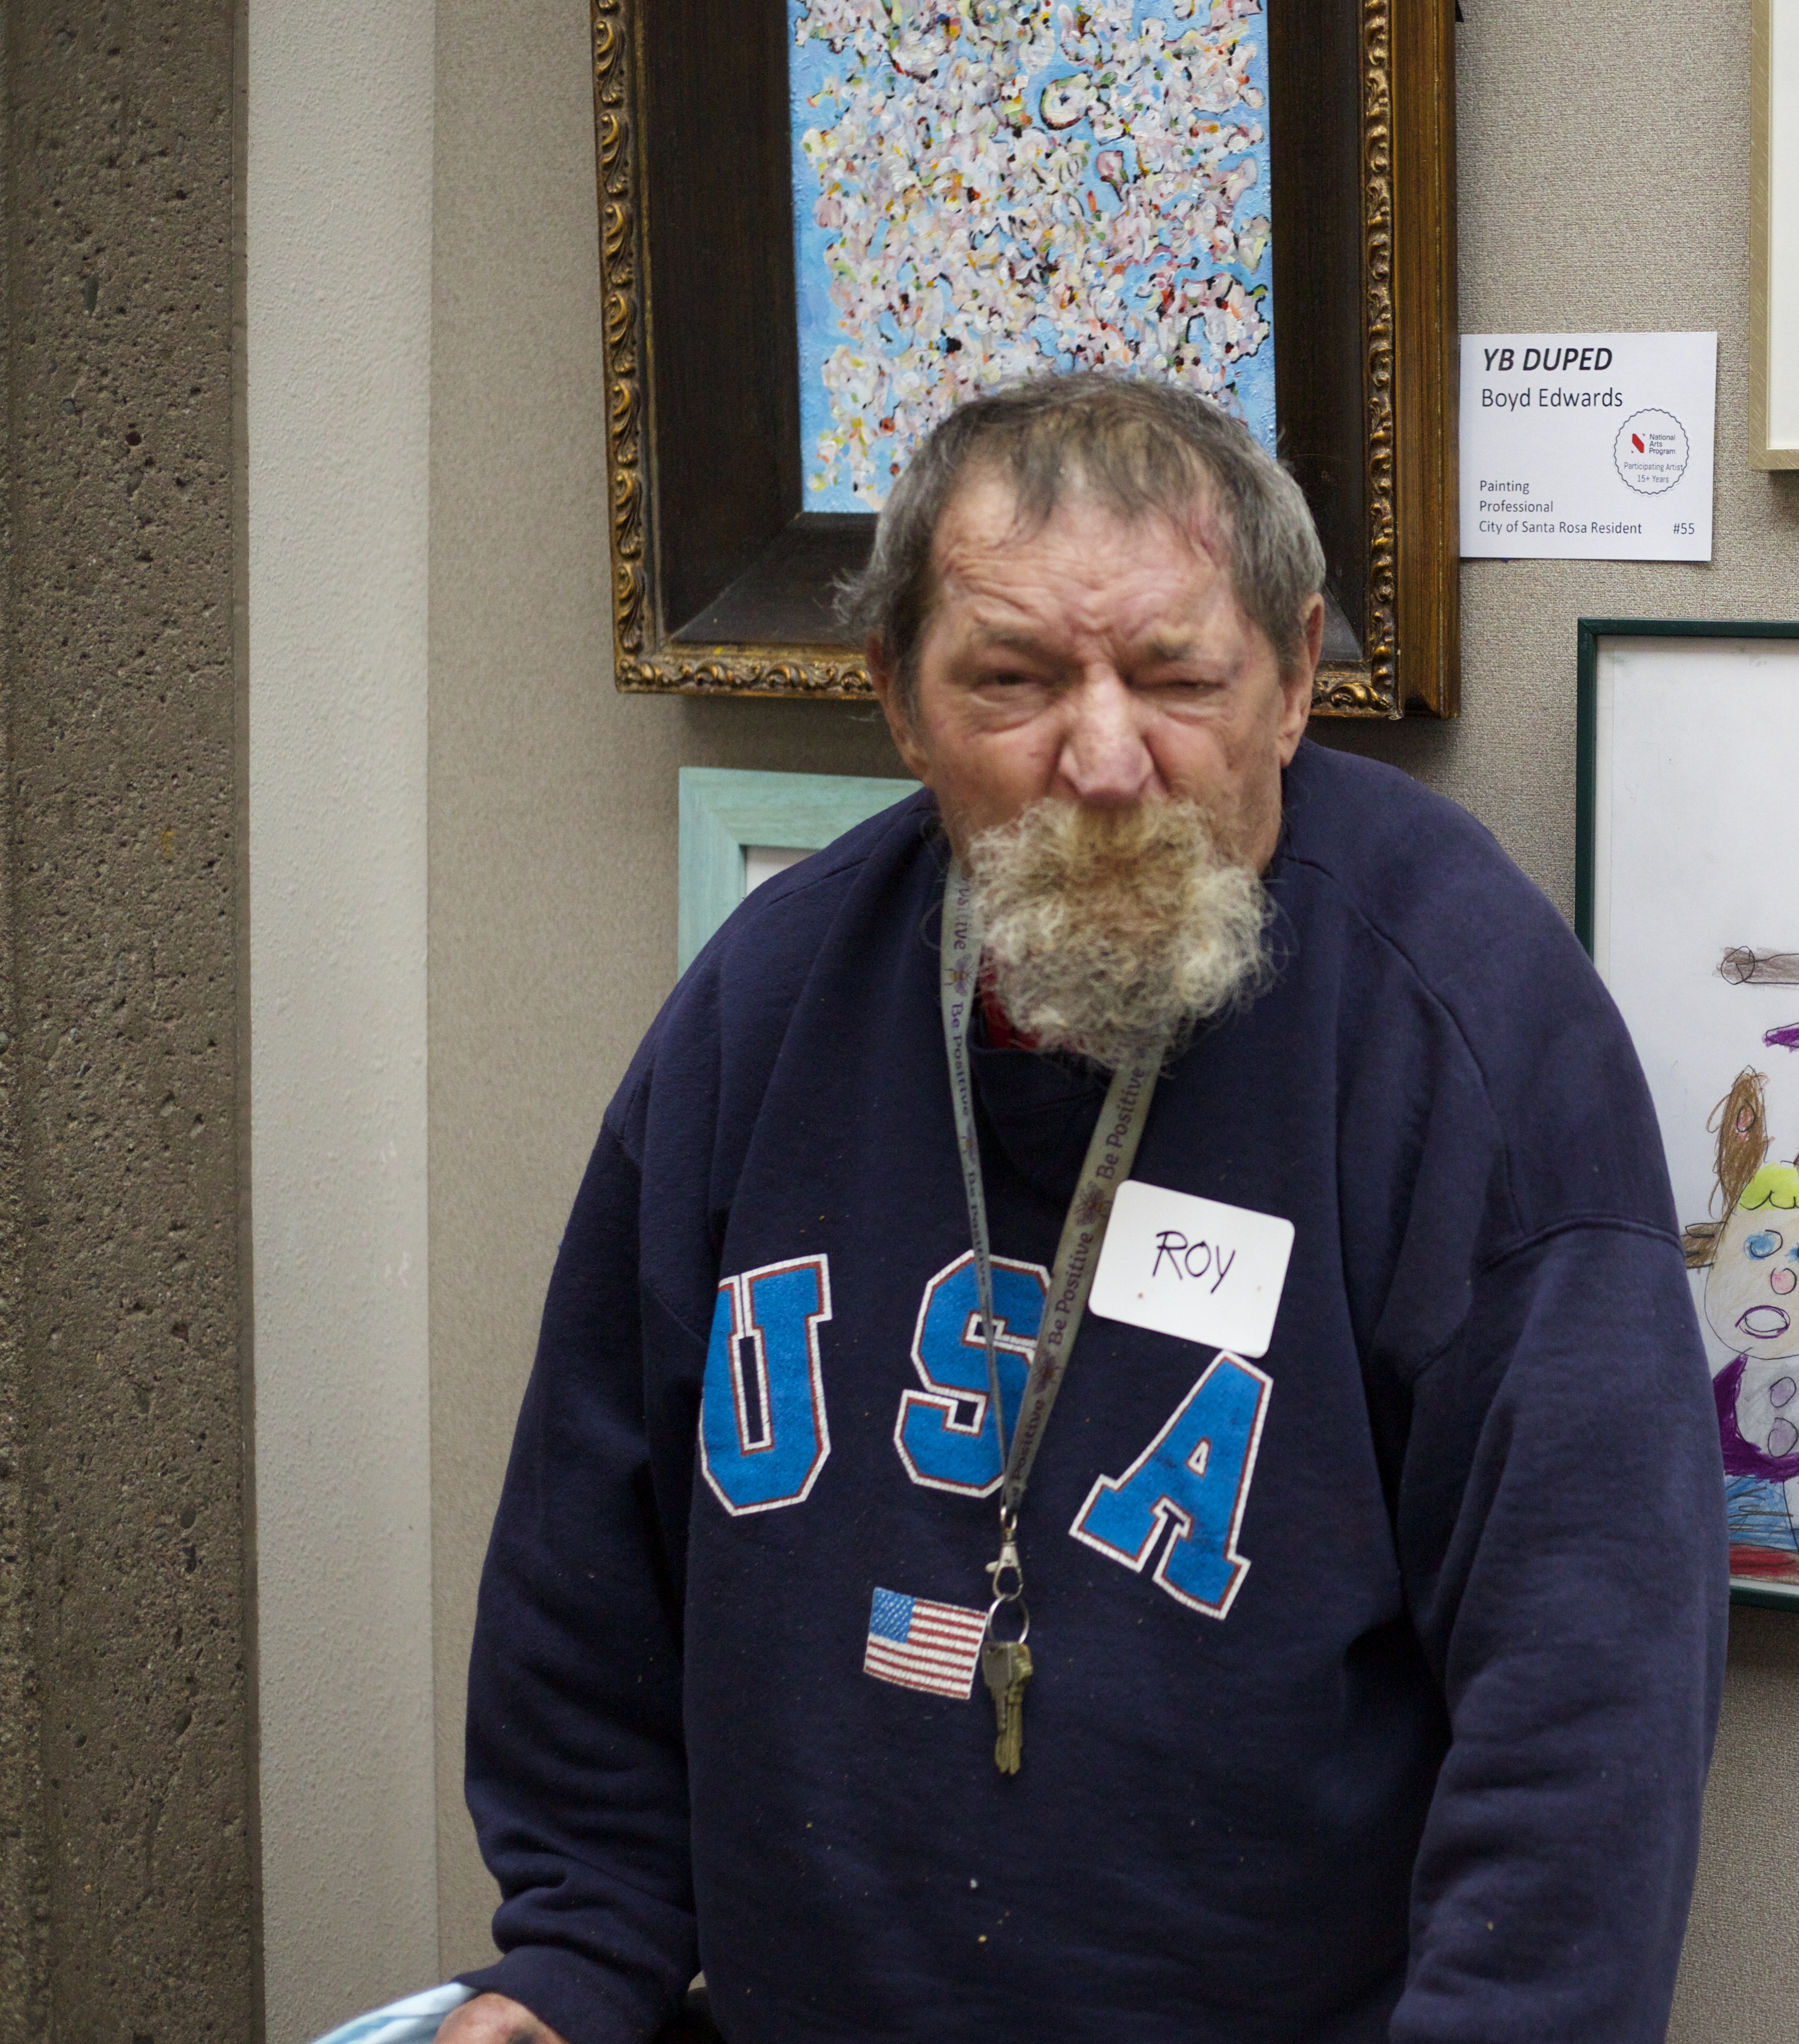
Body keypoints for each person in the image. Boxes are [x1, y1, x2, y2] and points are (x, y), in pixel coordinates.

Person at [437, 376, 1728, 2044]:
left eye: (1179, 676)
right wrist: (570, 1967)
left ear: (1292, 681)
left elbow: (1590, 1696)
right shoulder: (765, 1005)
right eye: (1013, 681)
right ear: (899, 706)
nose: (1105, 759)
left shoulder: (1464, 1024)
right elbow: (585, 1566)